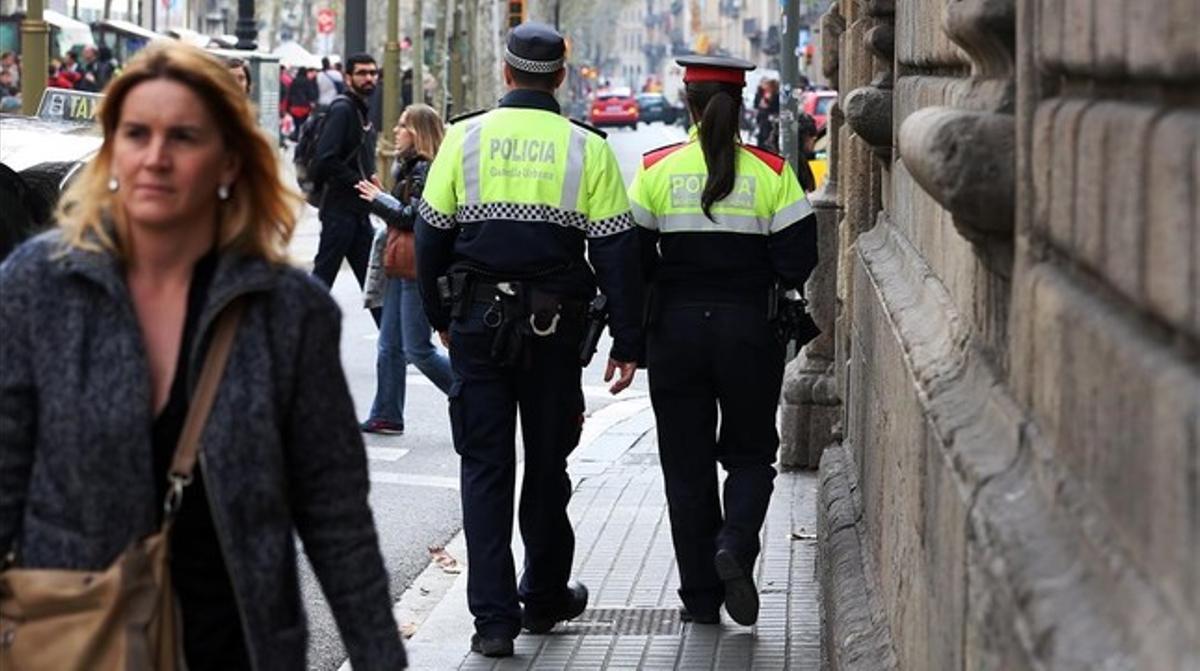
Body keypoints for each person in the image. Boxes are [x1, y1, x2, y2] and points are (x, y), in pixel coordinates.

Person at [0, 41, 406, 670]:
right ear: (111, 153)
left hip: (239, 644)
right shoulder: (39, 288)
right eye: (136, 134)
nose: (156, 158)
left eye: (184, 137)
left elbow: (335, 514)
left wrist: (379, 656)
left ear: (228, 162)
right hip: (75, 639)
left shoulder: (288, 313)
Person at [415, 21, 644, 659]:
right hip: (552, 333)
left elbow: (430, 235)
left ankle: (493, 622)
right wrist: (628, 341)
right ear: (562, 78)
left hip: (476, 328)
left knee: (485, 470)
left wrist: (439, 315)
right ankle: (543, 596)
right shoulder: (587, 149)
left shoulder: (463, 138)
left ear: (506, 73)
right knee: (547, 466)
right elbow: (617, 251)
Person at [626, 55, 818, 628]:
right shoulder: (771, 170)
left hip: (675, 333)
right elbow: (797, 259)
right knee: (751, 453)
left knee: (685, 468)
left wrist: (630, 337)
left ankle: (701, 600)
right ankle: (735, 542)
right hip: (747, 333)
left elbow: (632, 260)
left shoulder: (656, 167)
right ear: (738, 104)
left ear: (688, 101)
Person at [355, 103, 454, 434]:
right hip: (400, 264)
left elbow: (416, 218)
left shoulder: (425, 169)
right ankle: (386, 413)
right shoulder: (409, 168)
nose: (395, 132)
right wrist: (384, 198)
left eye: (402, 126)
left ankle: (470, 391)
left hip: (415, 267)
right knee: (389, 345)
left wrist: (379, 200)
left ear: (419, 133)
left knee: (417, 349)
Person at [310, 53, 379, 307]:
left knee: (374, 286)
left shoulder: (361, 110)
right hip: (339, 212)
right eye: (362, 73)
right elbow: (325, 159)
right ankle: (298, 340)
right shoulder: (343, 110)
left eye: (372, 73)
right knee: (322, 281)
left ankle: (393, 346)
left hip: (358, 213)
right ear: (348, 77)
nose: (369, 78)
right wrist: (360, 182)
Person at [286, 66, 318, 137]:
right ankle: (302, 137)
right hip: (305, 107)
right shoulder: (307, 81)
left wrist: (288, 107)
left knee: (297, 124)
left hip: (294, 107)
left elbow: (290, 94)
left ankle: (296, 134)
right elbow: (311, 94)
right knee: (304, 124)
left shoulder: (294, 81)